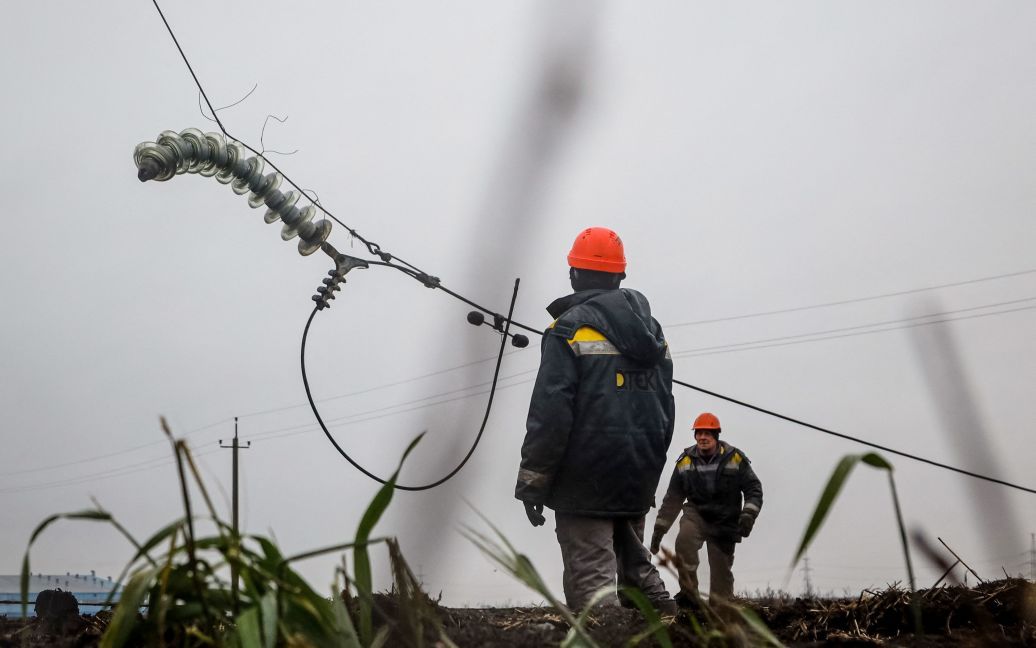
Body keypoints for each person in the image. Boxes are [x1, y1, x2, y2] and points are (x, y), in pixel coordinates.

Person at [514, 227, 676, 612]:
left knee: (594, 589)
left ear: (573, 274)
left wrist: (533, 482)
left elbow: (550, 415)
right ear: (620, 275)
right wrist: (648, 468)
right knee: (638, 572)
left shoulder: (566, 330)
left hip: (583, 480)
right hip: (638, 472)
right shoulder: (654, 334)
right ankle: (674, 630)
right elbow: (665, 411)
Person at [649, 412, 763, 604]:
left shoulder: (734, 458)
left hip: (725, 520)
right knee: (684, 542)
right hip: (696, 516)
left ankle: (721, 609)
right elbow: (673, 500)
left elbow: (754, 489)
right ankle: (689, 597)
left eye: (707, 433)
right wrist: (659, 531)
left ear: (716, 436)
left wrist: (748, 515)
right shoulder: (685, 462)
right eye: (699, 433)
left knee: (720, 579)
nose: (702, 437)